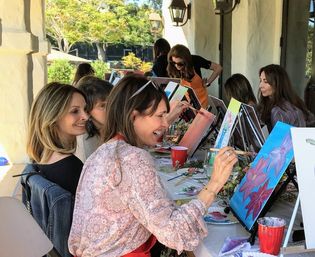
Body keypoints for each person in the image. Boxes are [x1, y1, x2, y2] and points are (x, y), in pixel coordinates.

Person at [68, 74, 237, 257]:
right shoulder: (132, 158)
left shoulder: (107, 150)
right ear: (133, 115)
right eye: (160, 115)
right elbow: (174, 233)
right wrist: (215, 183)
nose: (165, 123)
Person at [26, 82, 88, 195]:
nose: (86, 116)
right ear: (52, 116)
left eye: (85, 109)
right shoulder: (71, 168)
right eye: (75, 111)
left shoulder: (38, 161)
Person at [257, 64, 313, 131]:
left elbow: (280, 140)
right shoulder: (269, 103)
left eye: (266, 81)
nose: (260, 85)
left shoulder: (280, 110)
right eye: (261, 80)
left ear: (278, 83)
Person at [75, 76, 114, 162]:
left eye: (113, 102)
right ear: (87, 111)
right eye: (102, 106)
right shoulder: (86, 140)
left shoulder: (113, 131)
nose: (112, 108)